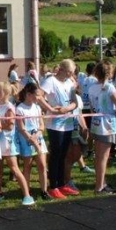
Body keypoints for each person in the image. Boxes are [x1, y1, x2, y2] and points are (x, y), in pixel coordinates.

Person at [40, 59, 78, 199]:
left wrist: (66, 109)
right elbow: (39, 96)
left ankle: (61, 184)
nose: (70, 75)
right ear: (61, 69)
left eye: (72, 72)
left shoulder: (69, 83)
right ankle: (53, 186)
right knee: (55, 155)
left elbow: (74, 102)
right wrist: (50, 109)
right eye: (69, 72)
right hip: (55, 125)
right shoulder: (50, 81)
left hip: (67, 123)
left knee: (63, 155)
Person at [0, 81, 34, 206]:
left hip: (8, 143)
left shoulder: (9, 107)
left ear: (5, 93)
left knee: (14, 169)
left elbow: (10, 126)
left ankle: (27, 195)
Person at [88, 62, 116, 194]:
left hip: (96, 123)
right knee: (103, 157)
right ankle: (99, 186)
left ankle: (102, 182)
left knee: (98, 156)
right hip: (107, 124)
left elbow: (91, 108)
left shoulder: (92, 88)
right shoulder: (109, 87)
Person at [15, 82, 49, 199]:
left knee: (42, 165)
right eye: (36, 95)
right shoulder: (20, 109)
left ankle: (44, 191)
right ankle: (27, 191)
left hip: (38, 138)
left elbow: (41, 125)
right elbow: (21, 128)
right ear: (29, 94)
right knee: (27, 166)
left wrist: (36, 135)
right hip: (26, 140)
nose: (38, 98)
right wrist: (31, 139)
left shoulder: (37, 107)